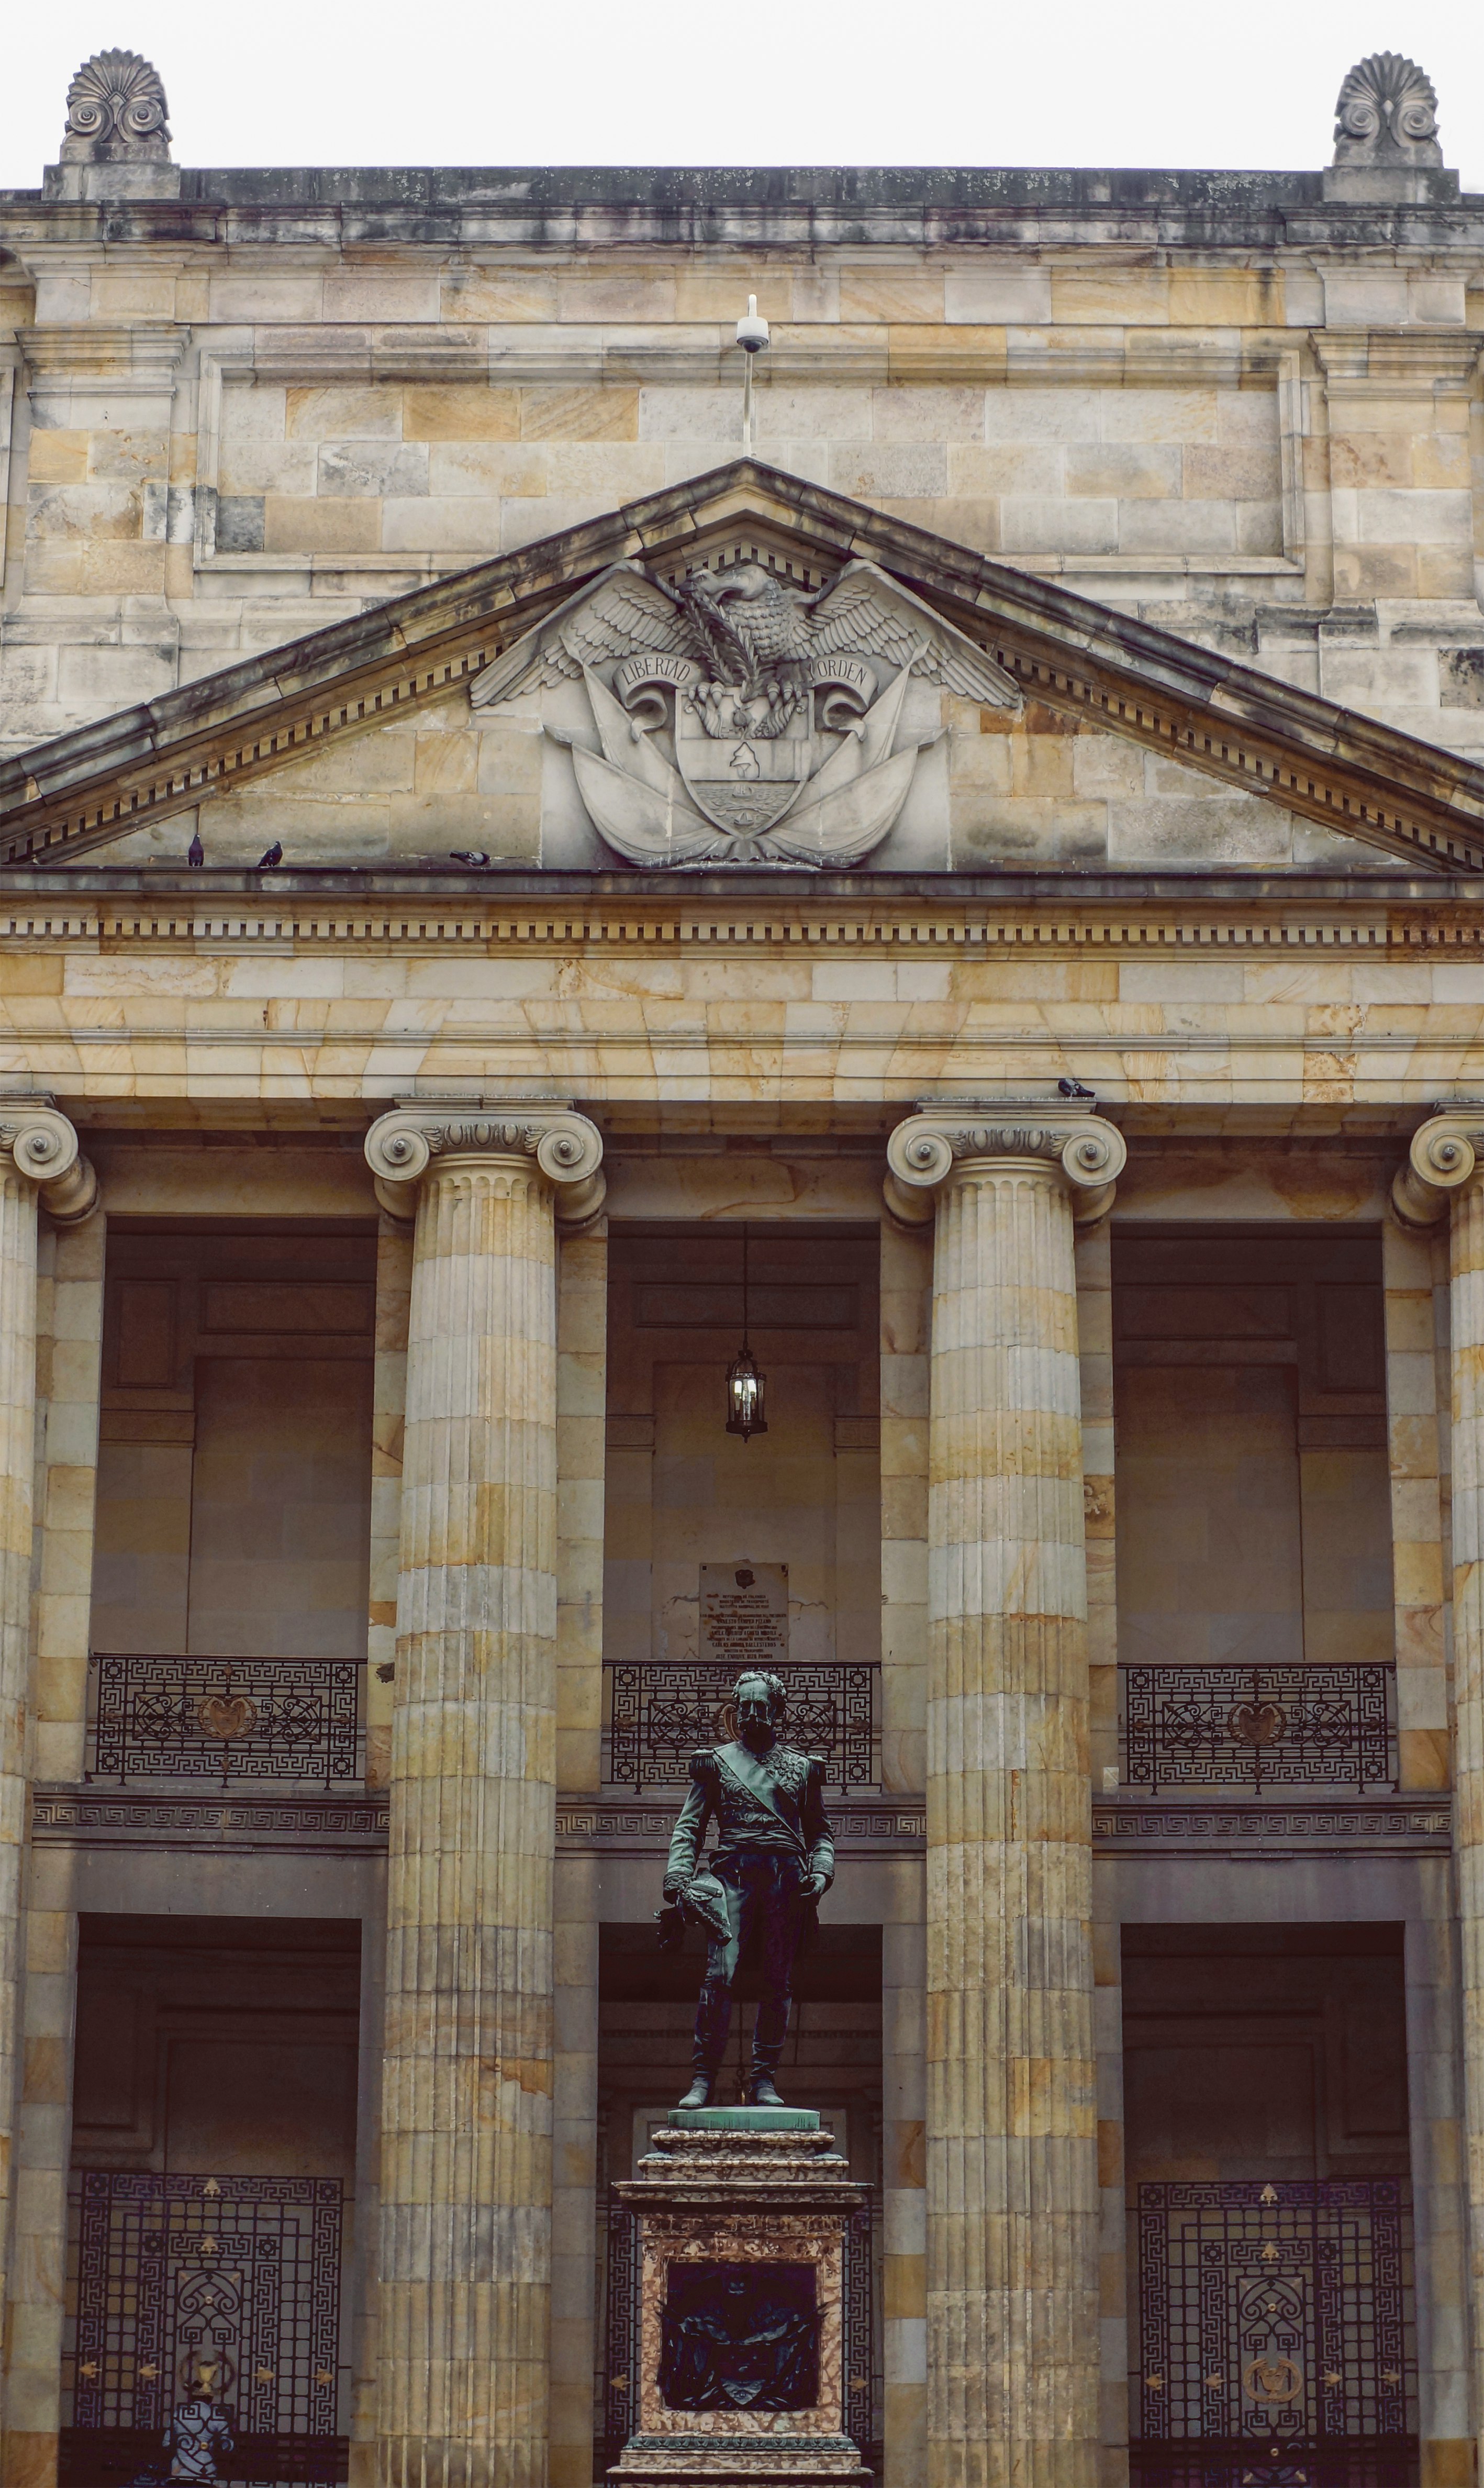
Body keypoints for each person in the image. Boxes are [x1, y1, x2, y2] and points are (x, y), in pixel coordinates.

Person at [662, 1668, 834, 2108]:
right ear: (735, 1710)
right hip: (733, 1875)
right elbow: (689, 1828)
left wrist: (821, 1871)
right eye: (745, 1706)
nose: (752, 1714)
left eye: (761, 1707)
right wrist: (679, 1876)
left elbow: (819, 1834)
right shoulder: (715, 1763)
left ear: (777, 1711)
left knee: (778, 1982)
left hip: (785, 1880)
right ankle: (702, 2079)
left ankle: (764, 2081)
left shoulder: (802, 1768)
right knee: (719, 1976)